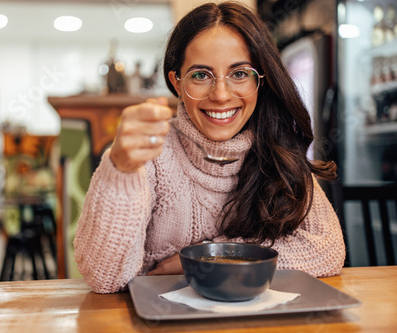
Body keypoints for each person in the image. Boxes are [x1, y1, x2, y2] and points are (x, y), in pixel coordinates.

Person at [73, 1, 346, 294]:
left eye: (239, 73)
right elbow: (104, 278)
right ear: (176, 83)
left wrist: (202, 258)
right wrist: (119, 171)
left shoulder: (280, 150)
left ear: (261, 81)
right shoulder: (149, 156)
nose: (220, 95)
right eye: (201, 75)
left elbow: (327, 249)